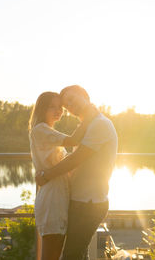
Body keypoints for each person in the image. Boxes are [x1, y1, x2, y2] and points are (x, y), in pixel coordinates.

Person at [35, 85, 118, 260]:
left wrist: (46, 175)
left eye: (72, 99)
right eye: (67, 105)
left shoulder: (99, 124)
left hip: (89, 203)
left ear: (85, 96)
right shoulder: (88, 126)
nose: (70, 106)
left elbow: (75, 159)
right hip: (79, 200)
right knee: (78, 253)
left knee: (72, 255)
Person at [29, 91, 95, 260]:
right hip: (52, 199)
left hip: (59, 196)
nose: (58, 110)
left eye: (60, 107)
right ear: (42, 109)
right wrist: (90, 117)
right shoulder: (40, 130)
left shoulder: (48, 131)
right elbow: (74, 140)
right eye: (52, 107)